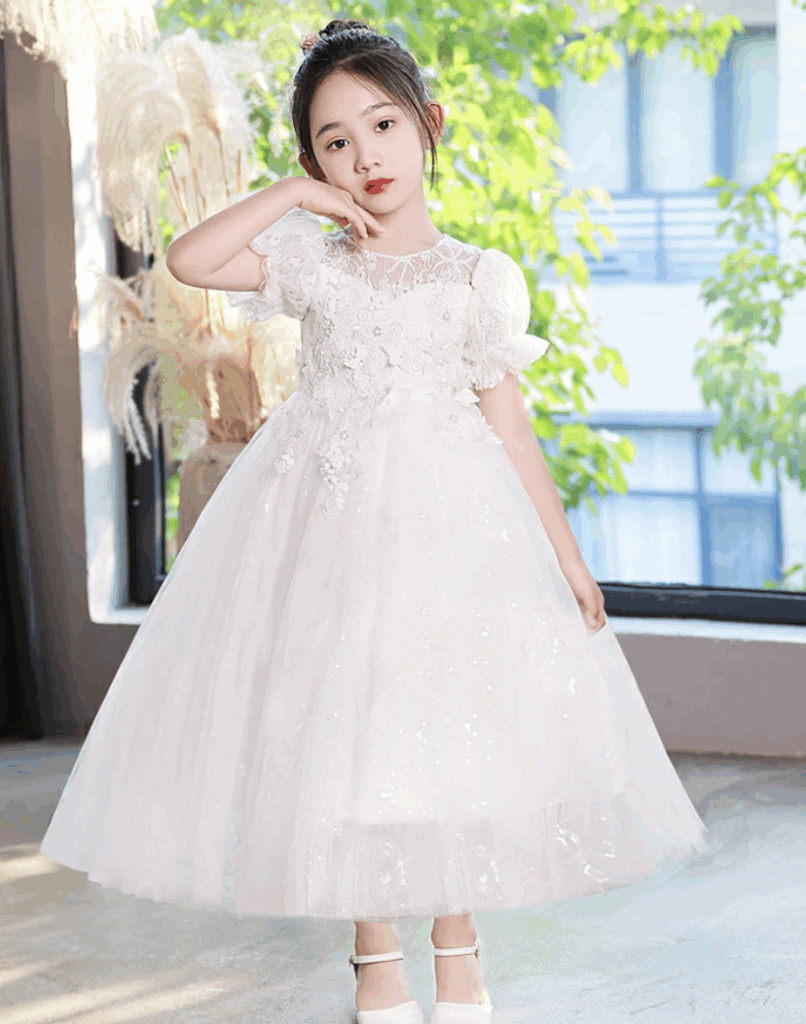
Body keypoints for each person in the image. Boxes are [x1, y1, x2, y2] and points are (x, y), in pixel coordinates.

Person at [39, 17, 709, 1024]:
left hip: (450, 529)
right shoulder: (315, 262)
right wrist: (292, 198)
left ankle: (459, 945)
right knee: (343, 733)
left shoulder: (478, 276)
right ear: (316, 162)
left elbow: (507, 422)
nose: (365, 156)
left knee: (447, 729)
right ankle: (373, 957)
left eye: (383, 125)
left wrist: (566, 558)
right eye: (335, 142)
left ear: (429, 124)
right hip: (328, 523)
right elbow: (189, 258)